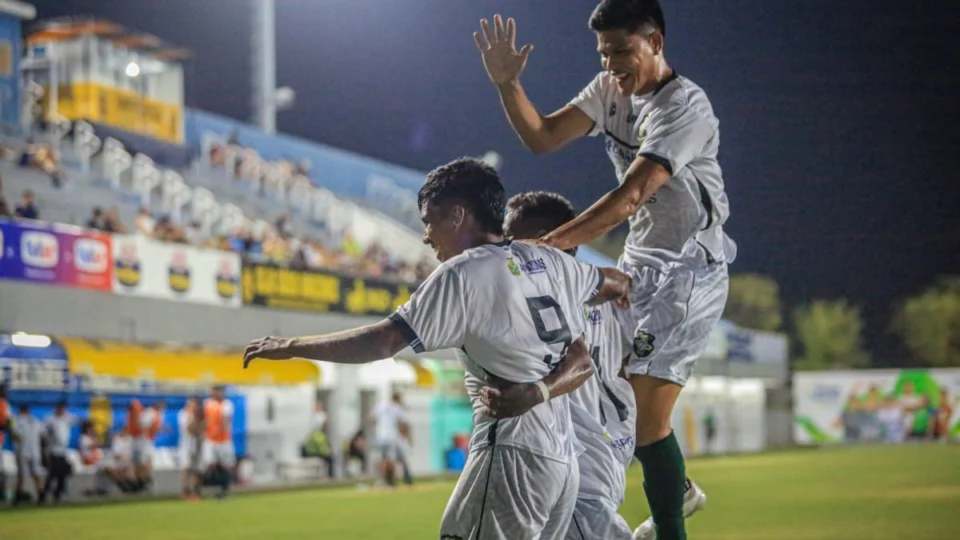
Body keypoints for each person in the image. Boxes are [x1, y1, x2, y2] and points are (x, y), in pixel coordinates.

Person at [243, 157, 631, 540]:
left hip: (513, 451)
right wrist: (541, 389)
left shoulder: (463, 272)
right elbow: (604, 307)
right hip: (563, 462)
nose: (426, 235)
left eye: (430, 220)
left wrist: (292, 346)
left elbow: (384, 341)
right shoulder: (549, 260)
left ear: (458, 216)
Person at [474, 3, 730, 538]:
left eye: (622, 51)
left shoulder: (684, 106)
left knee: (645, 418)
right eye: (604, 53)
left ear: (655, 42)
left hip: (688, 270)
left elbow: (633, 194)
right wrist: (507, 85)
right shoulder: (608, 88)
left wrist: (545, 246)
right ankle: (673, 483)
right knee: (601, 376)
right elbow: (542, 137)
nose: (612, 64)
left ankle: (671, 516)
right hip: (638, 261)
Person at [500, 191, 637, 539]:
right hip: (602, 448)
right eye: (509, 240)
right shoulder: (599, 288)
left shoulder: (551, 293)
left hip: (580, 458)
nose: (513, 250)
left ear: (568, 243)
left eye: (526, 241)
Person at [203, 386, 235, 499]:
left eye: (216, 392)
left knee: (226, 465)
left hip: (223, 440)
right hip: (210, 440)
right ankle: (217, 487)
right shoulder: (208, 403)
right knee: (211, 464)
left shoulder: (227, 404)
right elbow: (206, 420)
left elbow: (225, 421)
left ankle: (225, 488)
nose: (214, 394)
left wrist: (218, 431)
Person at [371, 392, 408, 487]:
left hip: (380, 436)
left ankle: (382, 480)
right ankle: (391, 481)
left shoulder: (381, 405)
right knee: (391, 459)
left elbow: (372, 417)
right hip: (391, 436)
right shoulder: (396, 408)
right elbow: (403, 422)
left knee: (382, 459)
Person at [40, 401, 74, 504]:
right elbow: (43, 434)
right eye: (60, 408)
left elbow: (79, 421)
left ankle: (56, 495)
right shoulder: (50, 419)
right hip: (53, 451)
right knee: (53, 474)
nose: (62, 410)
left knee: (63, 474)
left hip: (63, 451)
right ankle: (44, 495)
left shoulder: (67, 417)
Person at [12, 404, 45, 506]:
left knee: (22, 476)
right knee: (36, 474)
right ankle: (40, 495)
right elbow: (43, 436)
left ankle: (18, 496)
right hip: (34, 451)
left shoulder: (16, 420)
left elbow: (15, 435)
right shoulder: (36, 420)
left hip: (23, 452)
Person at [178, 397, 205, 500]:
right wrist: (194, 419)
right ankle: (186, 491)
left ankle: (196, 492)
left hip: (199, 445)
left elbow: (203, 428)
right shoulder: (183, 414)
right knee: (186, 468)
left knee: (198, 469)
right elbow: (190, 429)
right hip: (186, 445)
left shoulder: (202, 415)